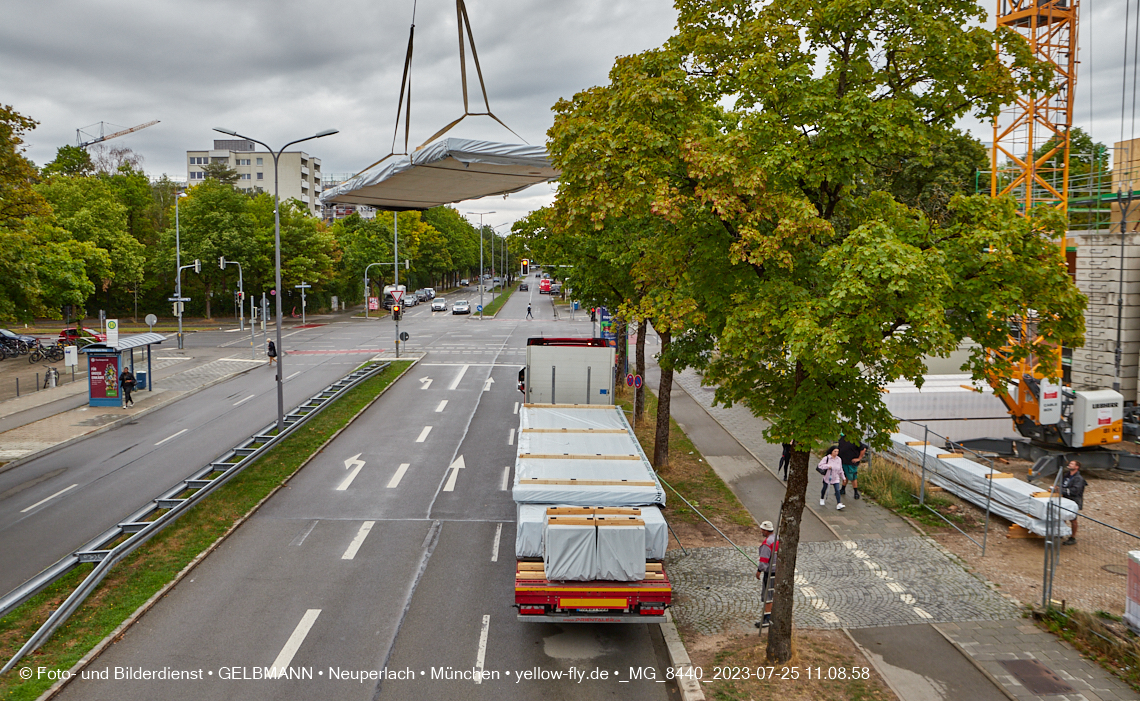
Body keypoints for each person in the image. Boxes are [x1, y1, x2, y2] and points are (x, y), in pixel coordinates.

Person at [754, 520, 779, 628]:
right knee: (774, 594)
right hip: (779, 570)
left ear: (765, 530)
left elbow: (764, 562)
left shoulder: (767, 544)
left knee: (767, 596)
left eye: (762, 530)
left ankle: (767, 619)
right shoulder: (777, 538)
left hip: (770, 572)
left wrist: (759, 570)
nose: (761, 531)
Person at [1057, 459, 1087, 545]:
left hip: (1073, 501)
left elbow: (1075, 491)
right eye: (1070, 463)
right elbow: (1062, 484)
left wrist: (1062, 490)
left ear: (1076, 467)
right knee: (1062, 516)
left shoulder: (1079, 479)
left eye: (1072, 464)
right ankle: (1062, 532)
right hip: (1065, 499)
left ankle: (1073, 537)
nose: (1069, 465)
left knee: (1073, 519)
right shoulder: (1066, 475)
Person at [838, 434, 867, 500]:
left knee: (853, 477)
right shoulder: (842, 438)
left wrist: (859, 458)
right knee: (844, 476)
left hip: (851, 462)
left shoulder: (855, 440)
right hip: (843, 461)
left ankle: (856, 492)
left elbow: (863, 449)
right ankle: (843, 489)